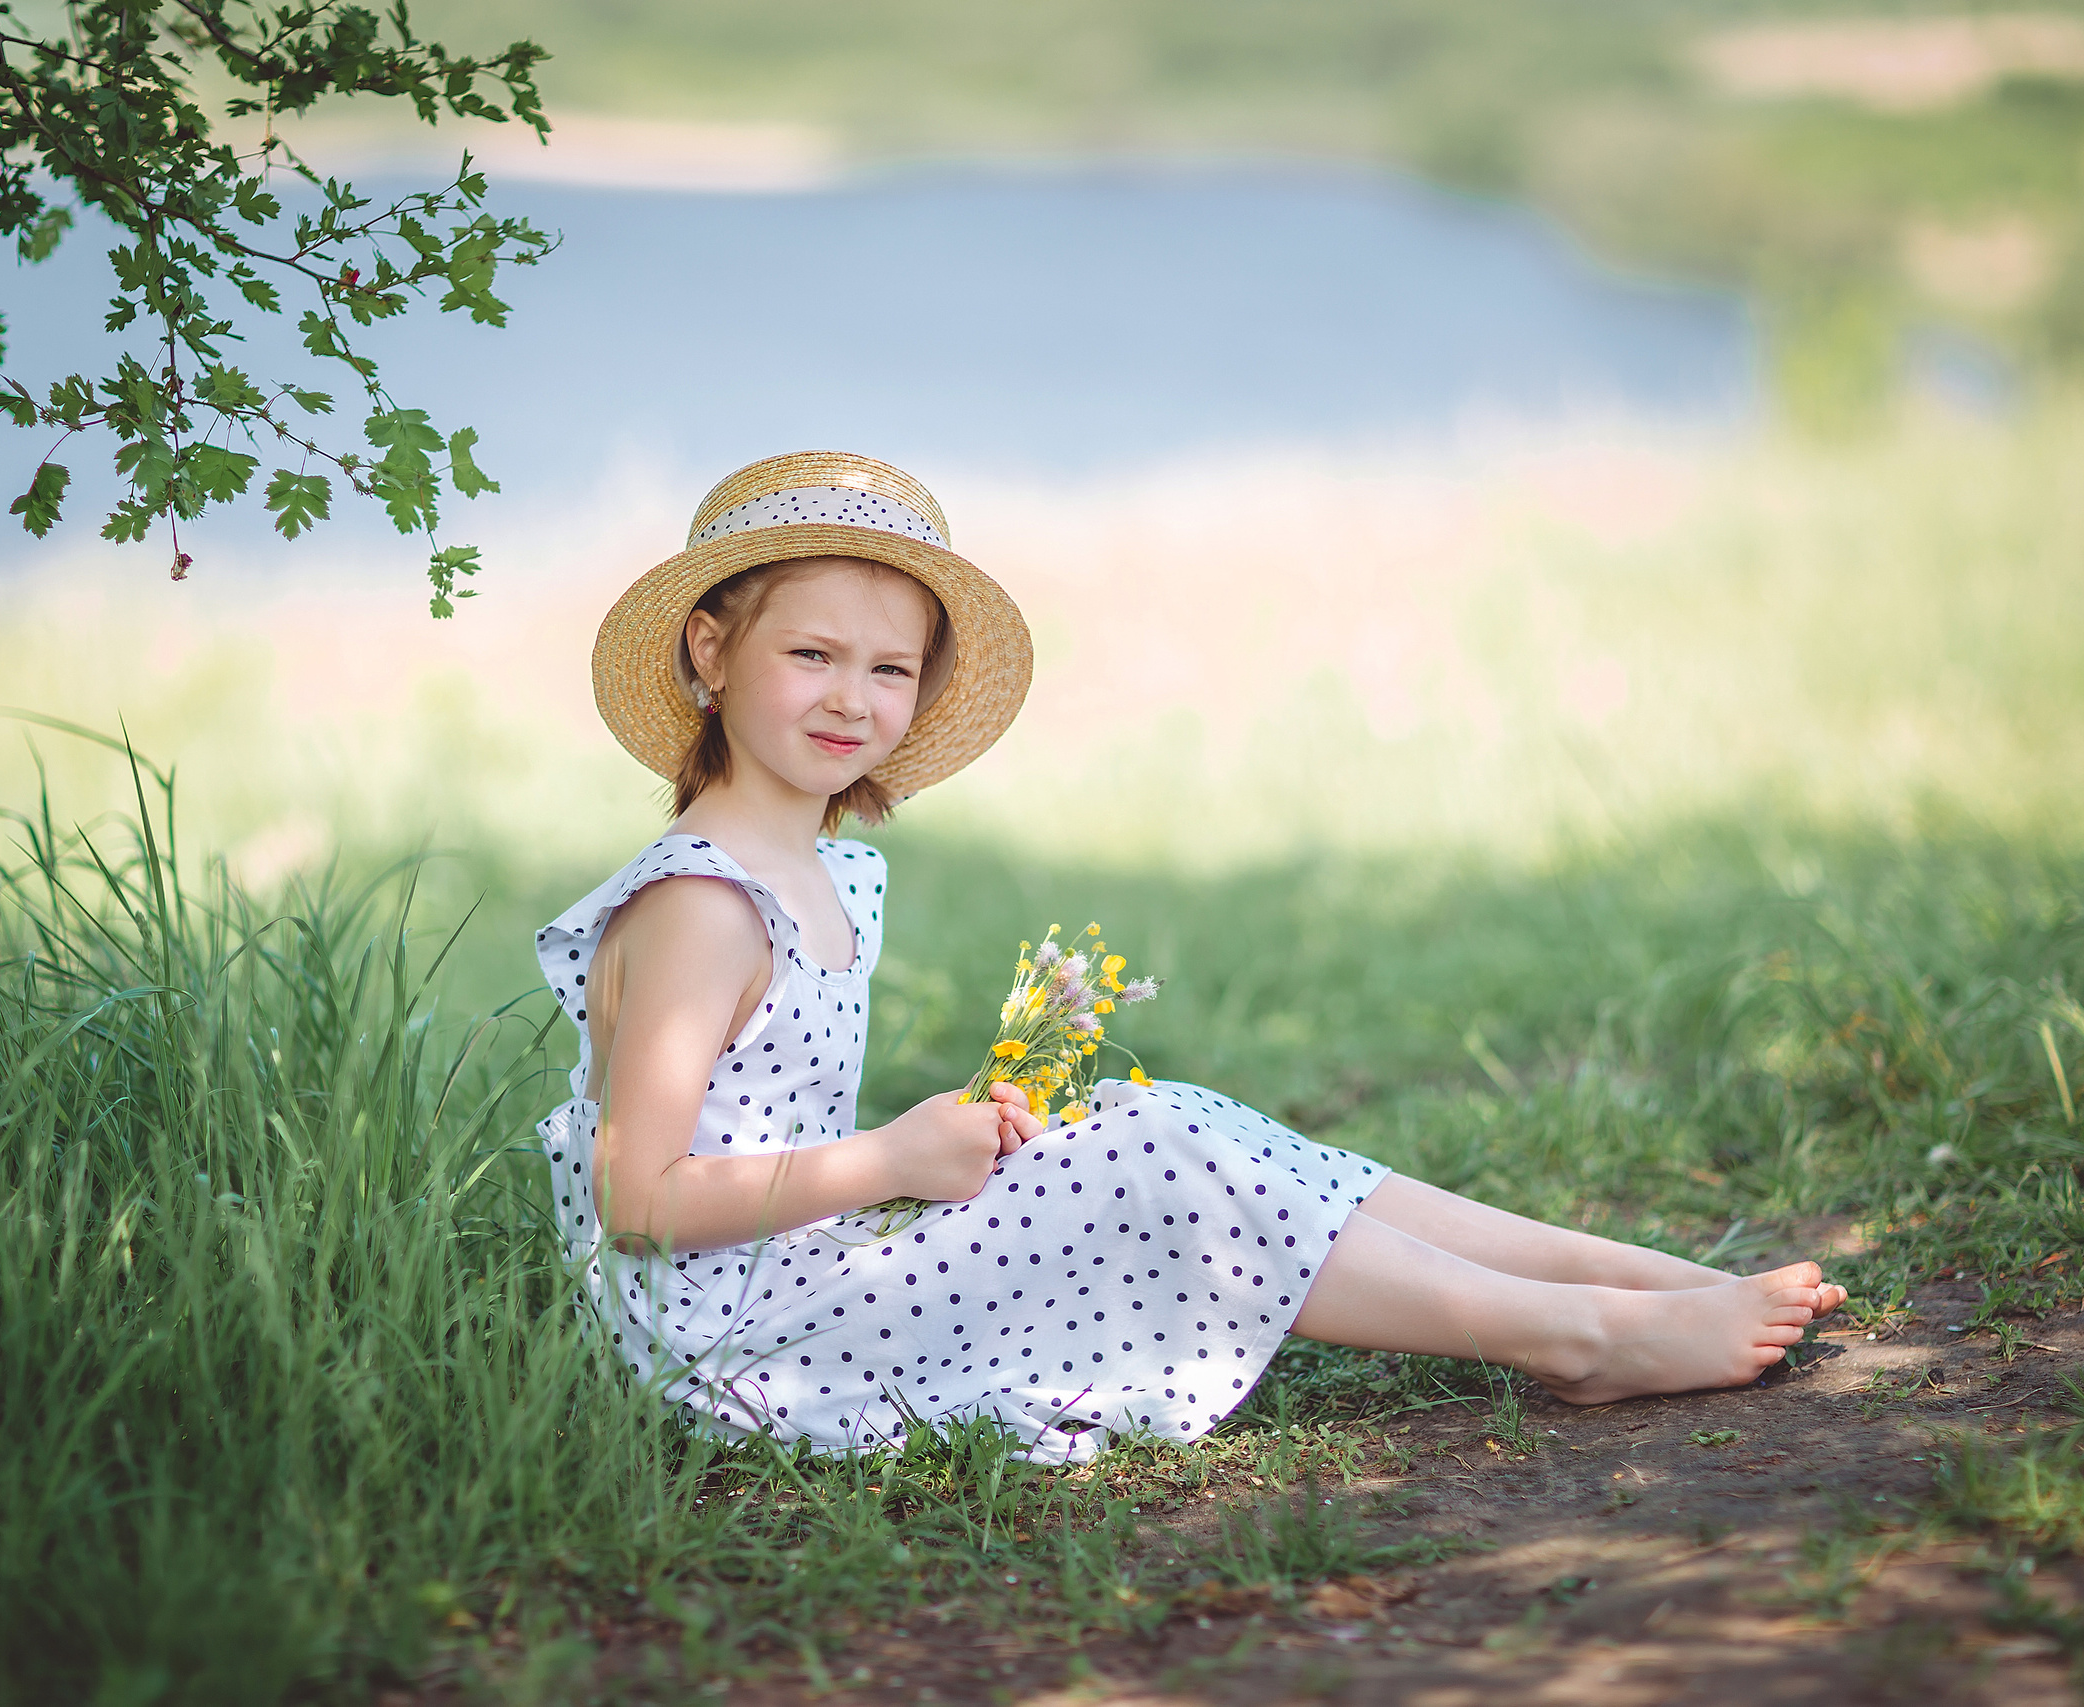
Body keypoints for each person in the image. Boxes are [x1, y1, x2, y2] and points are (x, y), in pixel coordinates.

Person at [536, 451, 1845, 1463]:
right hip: (732, 1344)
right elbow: (639, 1200)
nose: (850, 699)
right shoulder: (704, 905)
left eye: (889, 668)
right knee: (1146, 1161)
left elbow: (756, 1136)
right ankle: (1583, 1335)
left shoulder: (825, 866)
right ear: (712, 648)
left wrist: (939, 1157)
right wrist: (891, 1162)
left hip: (796, 1270)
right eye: (810, 654)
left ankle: (1612, 1275)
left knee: (1145, 1113)